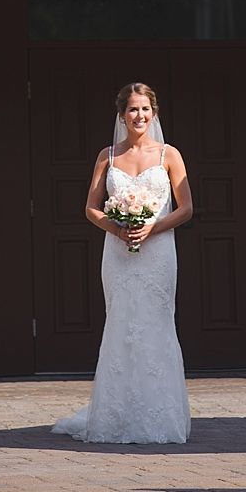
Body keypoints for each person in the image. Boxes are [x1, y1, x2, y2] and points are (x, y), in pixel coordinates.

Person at [52, 82, 193, 443]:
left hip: (158, 254)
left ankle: (160, 417)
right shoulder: (108, 157)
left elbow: (187, 208)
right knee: (121, 325)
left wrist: (152, 226)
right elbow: (90, 208)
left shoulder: (169, 155)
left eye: (145, 109)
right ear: (121, 115)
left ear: (154, 113)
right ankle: (116, 416)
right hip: (117, 256)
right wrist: (116, 229)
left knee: (156, 325)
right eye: (132, 109)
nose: (139, 116)